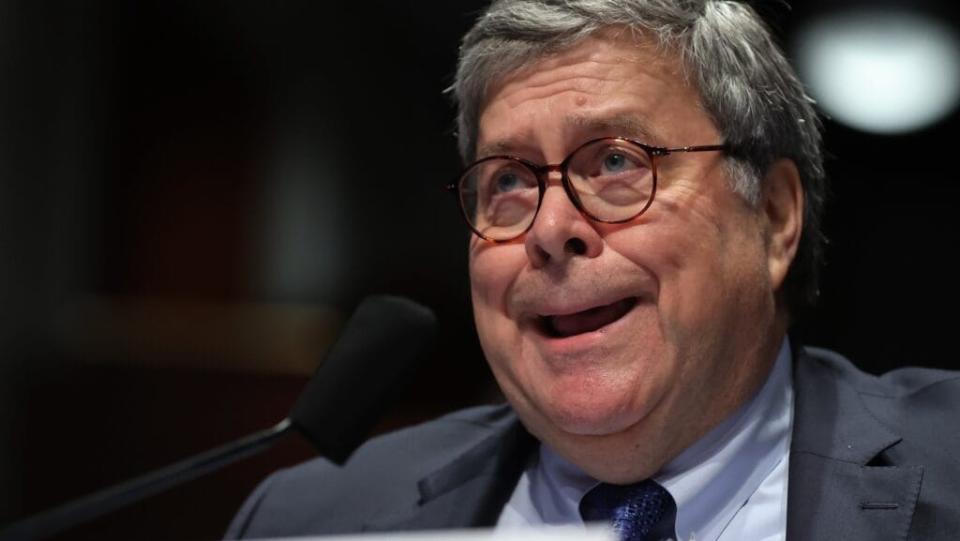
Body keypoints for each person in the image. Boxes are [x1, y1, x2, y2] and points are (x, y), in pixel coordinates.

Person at [226, 1, 960, 539]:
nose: (550, 230)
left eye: (616, 162)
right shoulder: (308, 518)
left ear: (772, 216)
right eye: (508, 180)